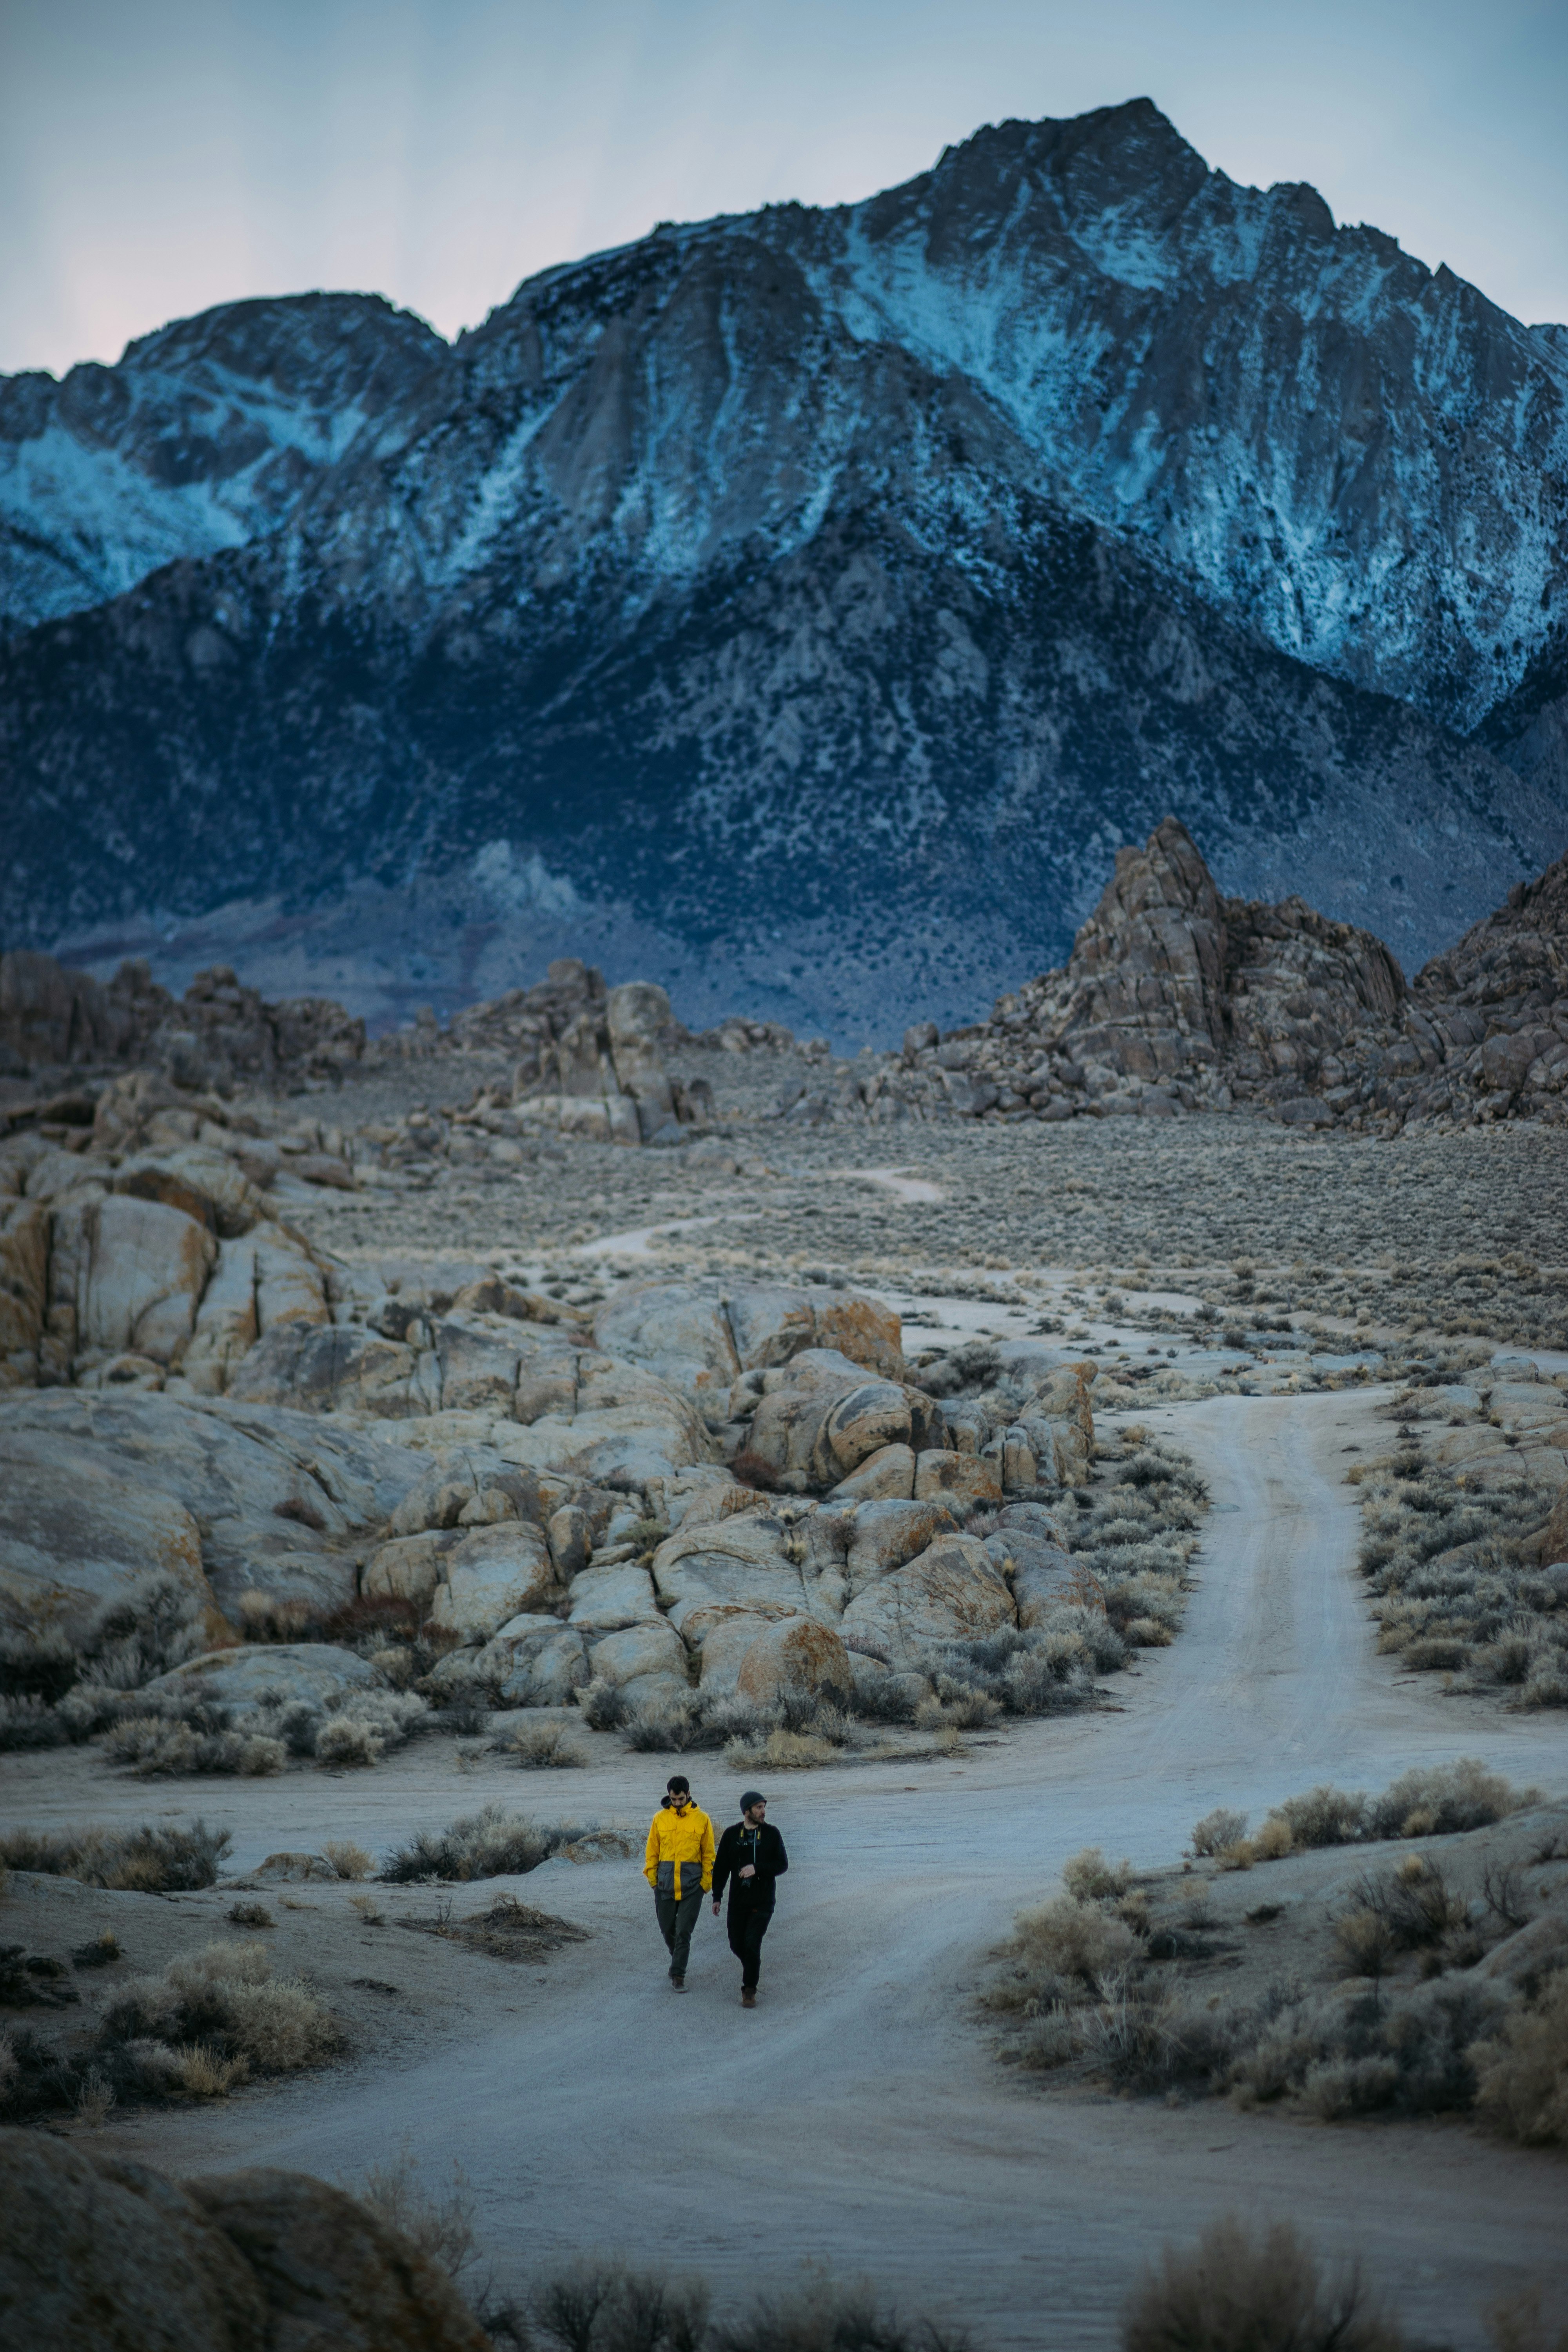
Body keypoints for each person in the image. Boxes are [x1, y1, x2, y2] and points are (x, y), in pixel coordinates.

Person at [711, 1790, 788, 2008]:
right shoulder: (731, 1835)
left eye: (764, 1807)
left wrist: (757, 1868)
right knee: (737, 1944)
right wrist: (717, 1896)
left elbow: (782, 1865)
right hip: (738, 1901)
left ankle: (749, 1989)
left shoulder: (772, 1834)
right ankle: (753, 1967)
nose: (763, 1812)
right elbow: (721, 1869)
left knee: (752, 1943)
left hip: (763, 1901)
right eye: (759, 1808)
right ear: (747, 1811)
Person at [642, 1773, 715, 1991]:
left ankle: (678, 1975)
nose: (677, 1803)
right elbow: (652, 1852)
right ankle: (678, 1959)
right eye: (674, 1799)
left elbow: (709, 1855)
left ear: (689, 1794)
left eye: (681, 1799)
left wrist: (706, 1884)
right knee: (667, 1929)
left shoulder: (702, 1819)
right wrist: (653, 1880)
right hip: (664, 1884)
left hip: (693, 1886)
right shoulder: (660, 1818)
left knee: (684, 1931)